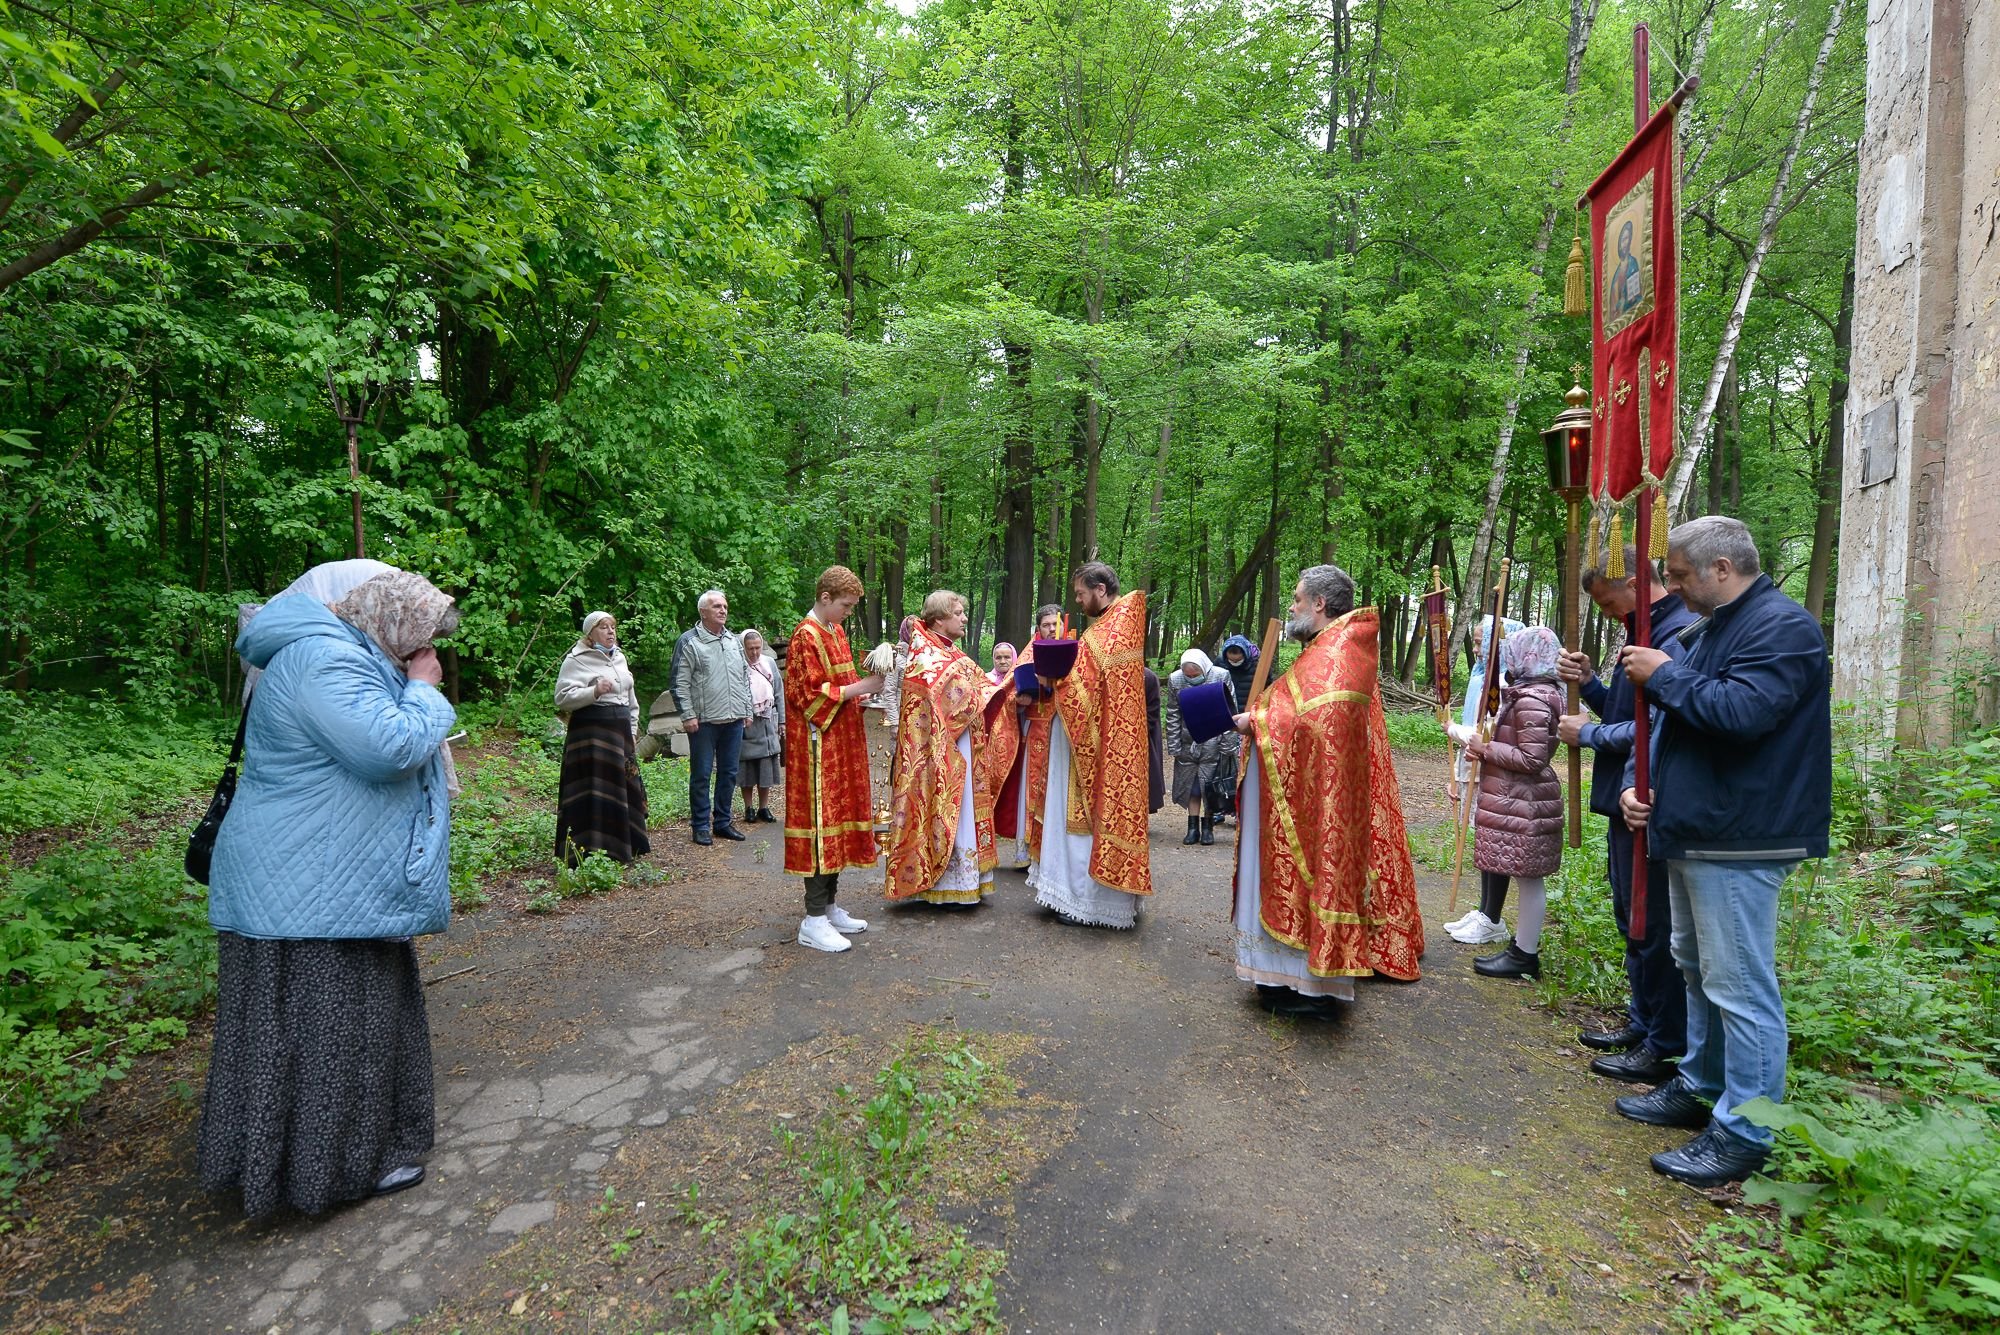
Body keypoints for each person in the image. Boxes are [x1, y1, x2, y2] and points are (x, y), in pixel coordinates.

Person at [199, 567, 459, 1217]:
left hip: (324, 886)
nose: (424, 655)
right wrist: (424, 691)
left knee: (337, 1031)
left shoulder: (343, 656)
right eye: (419, 641)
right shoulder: (325, 659)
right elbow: (389, 746)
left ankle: (316, 1163)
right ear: (387, 619)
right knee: (328, 1038)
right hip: (303, 891)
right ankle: (329, 1173)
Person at [1614, 516, 1831, 1189]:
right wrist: (1638, 787)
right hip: (1700, 827)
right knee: (1696, 963)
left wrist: (1668, 674)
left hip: (1743, 834)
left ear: (1721, 568)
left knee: (1739, 985)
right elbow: (1685, 725)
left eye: (1678, 574)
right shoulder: (1715, 627)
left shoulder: (1783, 627)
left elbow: (1741, 715)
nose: (1671, 585)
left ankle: (1745, 1128)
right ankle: (1702, 1080)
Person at [1230, 564, 1424, 1015]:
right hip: (1309, 792)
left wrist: (1256, 720)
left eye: (1298, 599)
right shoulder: (1329, 647)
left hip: (1321, 800)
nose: (1293, 606)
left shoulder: (1338, 652)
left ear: (1319, 603)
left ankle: (1314, 990)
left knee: (1319, 875)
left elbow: (1316, 719)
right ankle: (1281, 976)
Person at [1557, 550, 1696, 1086]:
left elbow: (1658, 727)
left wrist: (1585, 734)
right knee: (1632, 922)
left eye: (1606, 599)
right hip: (1625, 799)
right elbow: (1627, 713)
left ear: (1636, 584)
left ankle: (1664, 1043)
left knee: (1652, 925)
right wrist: (1592, 685)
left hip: (1649, 800)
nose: (1605, 610)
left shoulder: (1674, 636)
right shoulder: (1642, 631)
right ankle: (1644, 1025)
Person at [1029, 563, 1152, 928]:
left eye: (1081, 594)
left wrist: (1053, 679)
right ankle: (1071, 892)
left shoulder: (1114, 630)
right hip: (1090, 739)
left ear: (1100, 589)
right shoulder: (1109, 626)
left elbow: (1082, 685)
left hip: (1095, 744)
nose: (1078, 602)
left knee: (1084, 817)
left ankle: (1088, 902)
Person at [785, 566, 888, 953]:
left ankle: (827, 908)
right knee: (820, 823)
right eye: (845, 605)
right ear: (825, 597)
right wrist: (861, 687)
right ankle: (812, 920)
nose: (849, 612)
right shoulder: (804, 636)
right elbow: (808, 696)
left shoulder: (836, 631)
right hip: (815, 751)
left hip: (840, 745)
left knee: (839, 820)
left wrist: (866, 694)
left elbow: (843, 688)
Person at [1453, 626, 1566, 980]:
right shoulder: (1533, 693)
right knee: (1523, 875)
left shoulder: (1533, 698)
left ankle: (1524, 954)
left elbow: (1532, 758)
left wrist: (1486, 748)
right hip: (1516, 798)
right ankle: (1521, 949)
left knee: (1528, 880)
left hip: (1525, 801)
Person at [884, 590, 998, 906]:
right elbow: (958, 700)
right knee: (947, 810)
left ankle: (967, 880)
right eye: (958, 613)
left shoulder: (949, 652)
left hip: (963, 748)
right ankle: (946, 886)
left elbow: (982, 686)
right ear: (939, 618)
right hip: (939, 754)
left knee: (964, 810)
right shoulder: (925, 656)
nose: (964, 618)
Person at [1441, 612, 1526, 945]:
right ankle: (1484, 910)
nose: (1476, 649)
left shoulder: (1503, 684)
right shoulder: (1479, 676)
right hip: (1472, 766)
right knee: (1482, 841)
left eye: (1481, 643)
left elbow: (1488, 733)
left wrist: (1455, 731)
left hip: (1492, 770)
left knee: (1493, 841)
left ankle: (1493, 916)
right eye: (1475, 642)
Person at [553, 611, 651, 865]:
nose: (610, 631)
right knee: (594, 793)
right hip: (590, 736)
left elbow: (631, 701)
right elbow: (562, 698)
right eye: (603, 627)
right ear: (590, 633)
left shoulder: (620, 658)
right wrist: (593, 691)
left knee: (621, 790)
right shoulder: (576, 660)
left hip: (620, 737)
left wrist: (631, 730)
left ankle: (623, 848)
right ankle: (586, 852)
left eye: (612, 627)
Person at [674, 589, 753, 846]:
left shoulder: (732, 641)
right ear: (703, 612)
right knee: (702, 774)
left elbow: (744, 678)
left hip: (733, 720)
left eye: (725, 606)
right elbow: (680, 683)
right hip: (704, 722)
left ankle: (722, 822)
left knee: (729, 773)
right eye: (717, 606)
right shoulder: (690, 642)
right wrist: (687, 714)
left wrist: (747, 710)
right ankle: (700, 825)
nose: (723, 610)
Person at [992, 604, 1064, 868]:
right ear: (1038, 629)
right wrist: (1019, 701)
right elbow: (1009, 692)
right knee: (1031, 790)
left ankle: (1056, 852)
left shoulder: (1074, 650)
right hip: (1035, 730)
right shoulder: (1029, 654)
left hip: (1063, 729)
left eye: (1055, 624)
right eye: (1046, 625)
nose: (1051, 629)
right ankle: (1029, 852)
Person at [1165, 648, 1238, 845]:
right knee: (1192, 788)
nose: (1191, 678)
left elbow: (1230, 711)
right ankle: (1192, 828)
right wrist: (1174, 745)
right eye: (1188, 675)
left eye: (1195, 675)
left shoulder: (1220, 676)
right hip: (1188, 742)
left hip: (1214, 742)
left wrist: (1228, 744)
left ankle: (1208, 827)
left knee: (1209, 787)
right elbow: (1173, 713)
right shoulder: (1176, 679)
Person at [737, 628, 784, 825]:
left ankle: (764, 807)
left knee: (765, 767)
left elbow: (779, 693)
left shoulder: (769, 663)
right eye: (750, 649)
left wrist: (782, 721)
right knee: (746, 768)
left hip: (766, 722)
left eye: (757, 648)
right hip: (745, 723)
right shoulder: (737, 666)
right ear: (743, 648)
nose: (754, 652)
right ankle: (749, 808)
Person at [1143, 665, 1166, 816]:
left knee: (1147, 775)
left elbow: (1153, 708)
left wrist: (1142, 729)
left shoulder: (1148, 677)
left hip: (1145, 734)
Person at [1219, 633, 1259, 713]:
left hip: (1248, 713)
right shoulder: (1220, 664)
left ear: (1245, 654)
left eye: (1237, 661)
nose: (1234, 662)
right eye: (1231, 660)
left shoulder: (1257, 666)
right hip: (1227, 712)